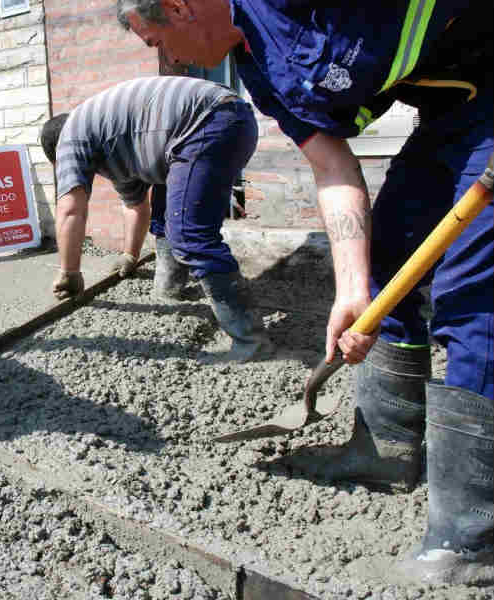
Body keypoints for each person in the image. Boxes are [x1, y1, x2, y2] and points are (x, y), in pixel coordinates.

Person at [117, 0, 493, 585]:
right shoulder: (262, 74)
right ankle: (387, 449)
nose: (167, 59)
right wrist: (349, 290)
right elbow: (333, 170)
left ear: (179, 7)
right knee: (384, 269)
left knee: (471, 294)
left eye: (156, 42)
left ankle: (471, 538)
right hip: (451, 114)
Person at [40, 75, 273, 361]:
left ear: (58, 156)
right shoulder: (111, 144)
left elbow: (71, 209)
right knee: (165, 217)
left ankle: (251, 343)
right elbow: (136, 206)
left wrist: (70, 273)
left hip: (210, 121)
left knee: (189, 234)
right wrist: (129, 255)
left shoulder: (70, 137)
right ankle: (171, 288)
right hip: (220, 120)